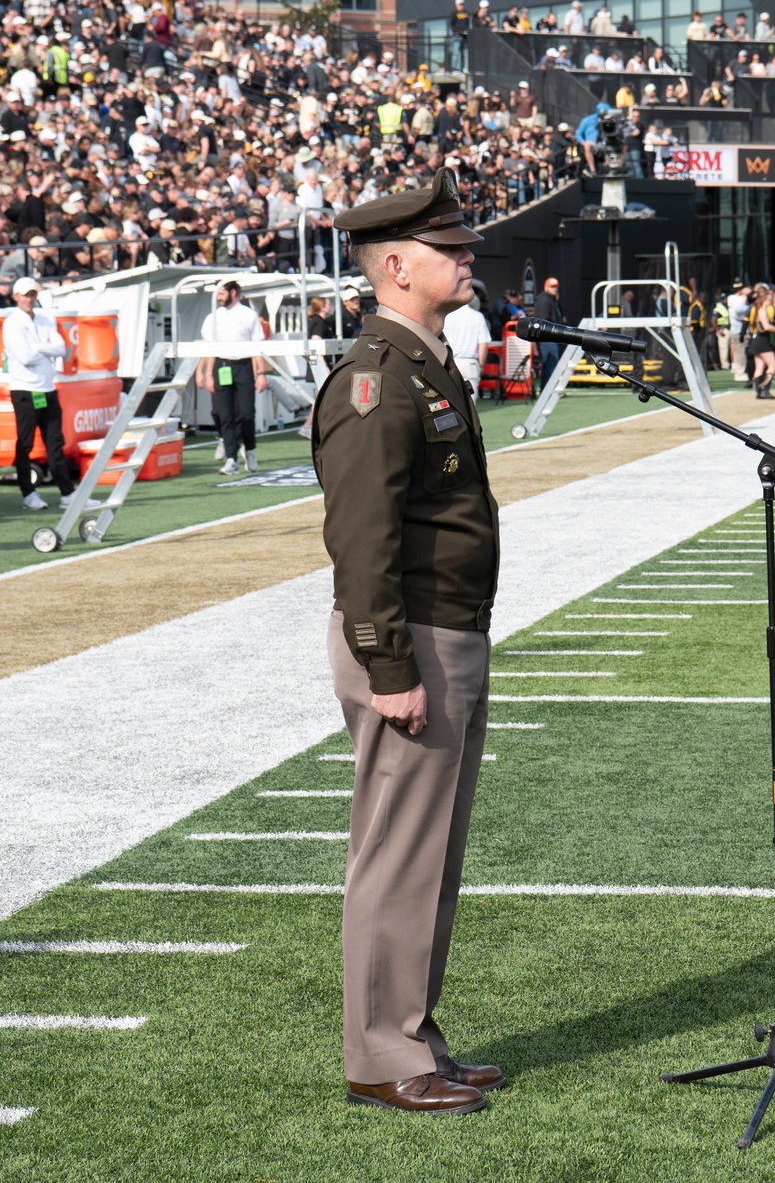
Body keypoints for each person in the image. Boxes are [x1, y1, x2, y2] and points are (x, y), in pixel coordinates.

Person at [313, 167, 503, 1115]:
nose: (468, 259)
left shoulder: (424, 364)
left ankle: (414, 1036)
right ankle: (381, 1056)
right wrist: (389, 666)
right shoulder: (377, 381)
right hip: (412, 640)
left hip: (448, 630)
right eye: (449, 248)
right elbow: (361, 541)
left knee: (431, 859)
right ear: (396, 266)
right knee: (398, 858)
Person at [5, 278, 99, 513]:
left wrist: (37, 348)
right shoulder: (12, 323)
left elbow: (60, 348)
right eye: (25, 294)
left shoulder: (46, 319)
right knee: (25, 443)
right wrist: (45, 350)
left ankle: (67, 493)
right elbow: (25, 356)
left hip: (47, 389)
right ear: (16, 296)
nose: (29, 299)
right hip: (25, 391)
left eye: (32, 294)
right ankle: (29, 494)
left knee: (55, 442)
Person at [200, 280, 267, 474]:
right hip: (221, 366)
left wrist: (261, 374)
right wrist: (207, 374)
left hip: (243, 366)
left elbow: (257, 348)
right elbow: (209, 348)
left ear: (234, 292)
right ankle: (231, 458)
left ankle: (249, 449)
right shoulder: (212, 317)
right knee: (224, 414)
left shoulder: (249, 315)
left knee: (246, 413)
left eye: (222, 293)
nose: (219, 297)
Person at [443, 297, 491, 400]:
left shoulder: (446, 315)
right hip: (470, 363)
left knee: (451, 400)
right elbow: (483, 344)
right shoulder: (477, 316)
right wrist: (481, 365)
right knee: (470, 401)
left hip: (448, 361)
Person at [532, 275, 564, 387]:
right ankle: (547, 388)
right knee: (550, 363)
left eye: (556, 286)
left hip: (550, 337)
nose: (555, 289)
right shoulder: (544, 300)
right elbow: (543, 320)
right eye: (552, 286)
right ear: (546, 287)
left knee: (551, 364)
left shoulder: (551, 299)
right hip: (548, 337)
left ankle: (548, 388)